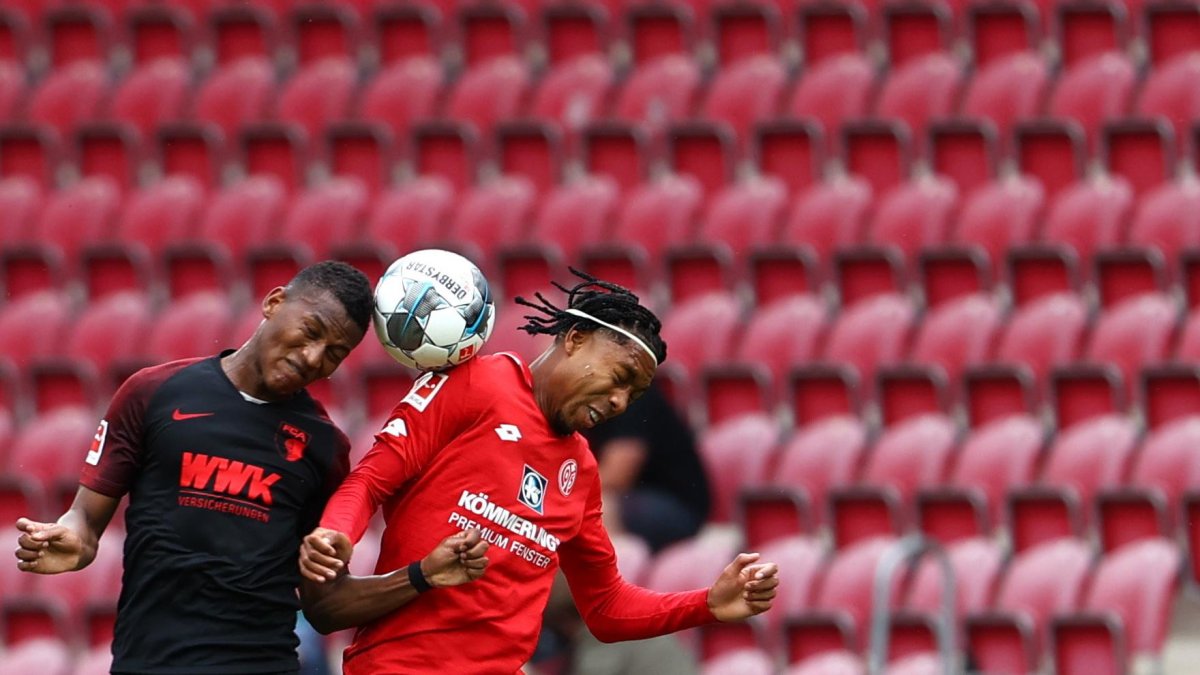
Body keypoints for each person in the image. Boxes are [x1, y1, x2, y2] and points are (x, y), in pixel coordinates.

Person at [12, 261, 490, 674]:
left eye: (334, 354)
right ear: (274, 303)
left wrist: (422, 575)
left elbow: (324, 606)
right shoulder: (153, 392)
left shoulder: (324, 447)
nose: (313, 358)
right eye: (311, 332)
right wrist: (72, 539)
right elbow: (85, 522)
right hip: (146, 662)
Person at [299, 269, 780, 674]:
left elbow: (605, 607)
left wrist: (707, 604)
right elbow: (371, 479)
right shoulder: (477, 383)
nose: (619, 402)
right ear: (574, 339)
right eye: (619, 379)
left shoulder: (582, 472)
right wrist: (336, 533)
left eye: (633, 396)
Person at [582, 378, 709, 553]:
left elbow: (617, 475)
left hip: (674, 506)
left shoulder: (629, 390)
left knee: (595, 506)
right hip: (631, 496)